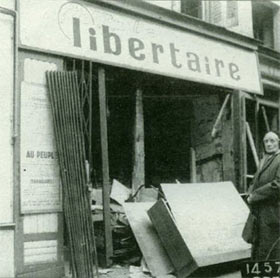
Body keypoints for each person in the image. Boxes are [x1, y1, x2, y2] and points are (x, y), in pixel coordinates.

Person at [246, 131, 280, 260]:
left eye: (272, 141)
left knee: (272, 250)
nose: (269, 144)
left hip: (273, 212)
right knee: (259, 247)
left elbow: (277, 185)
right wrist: (249, 192)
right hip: (260, 212)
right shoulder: (264, 159)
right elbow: (255, 180)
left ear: (278, 142)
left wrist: (254, 196)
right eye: (266, 141)